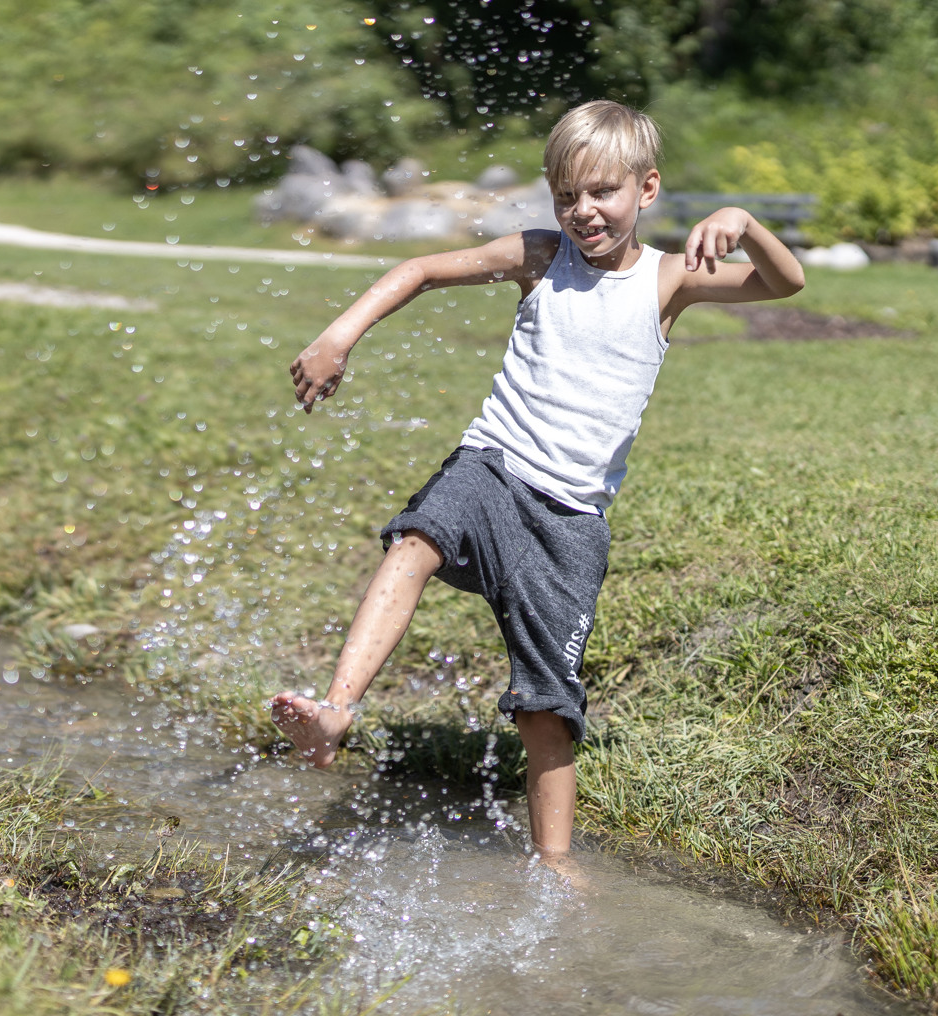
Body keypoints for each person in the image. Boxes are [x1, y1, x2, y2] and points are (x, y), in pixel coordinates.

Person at [268, 100, 805, 861]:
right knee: (414, 540)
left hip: (570, 520)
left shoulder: (670, 279)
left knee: (544, 710)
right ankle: (336, 710)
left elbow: (784, 284)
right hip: (494, 464)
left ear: (646, 190)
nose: (582, 212)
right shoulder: (538, 255)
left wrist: (742, 220)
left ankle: (556, 869)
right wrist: (337, 336)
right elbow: (419, 269)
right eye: (566, 196)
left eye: (602, 193)